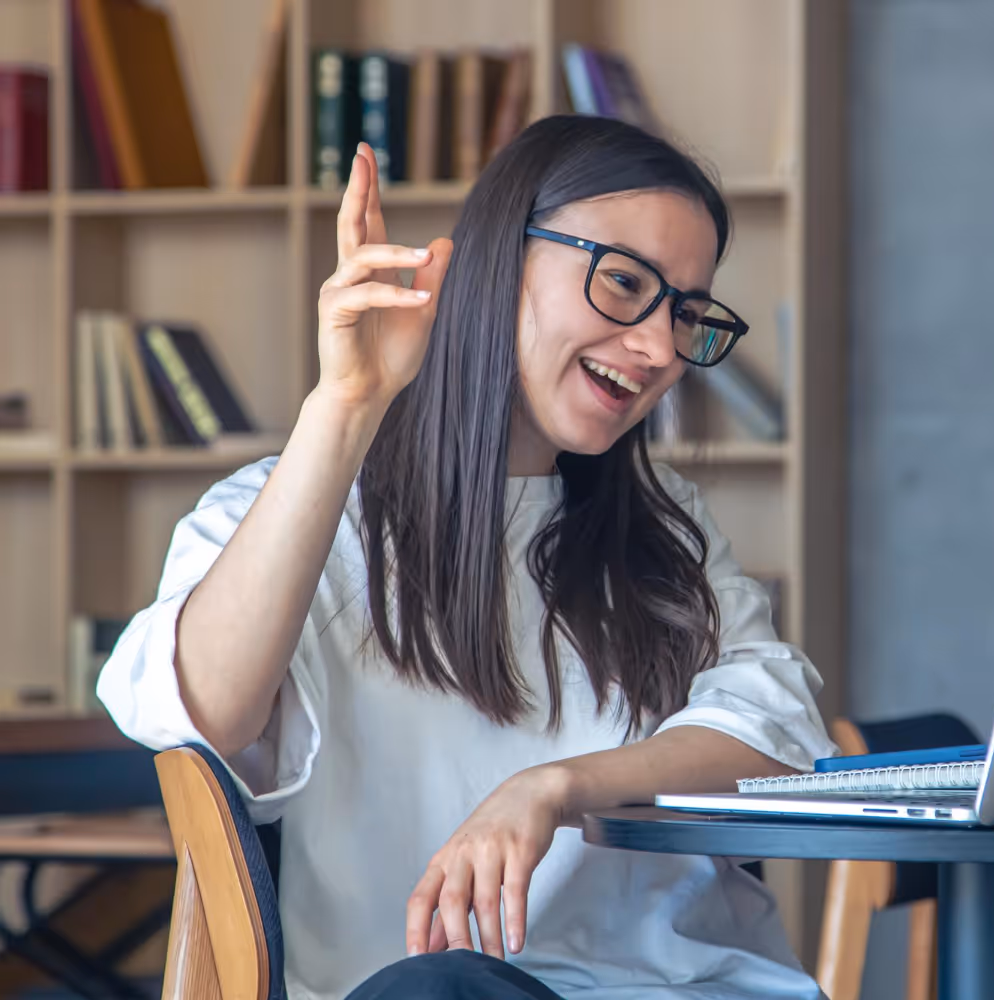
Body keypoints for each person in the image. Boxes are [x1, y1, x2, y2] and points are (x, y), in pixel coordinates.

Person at [98, 115, 837, 1000]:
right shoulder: (294, 509)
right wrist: (345, 409)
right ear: (499, 258)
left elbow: (779, 735)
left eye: (685, 315)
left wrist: (555, 787)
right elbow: (202, 718)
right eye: (625, 282)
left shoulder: (666, 524)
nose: (657, 349)